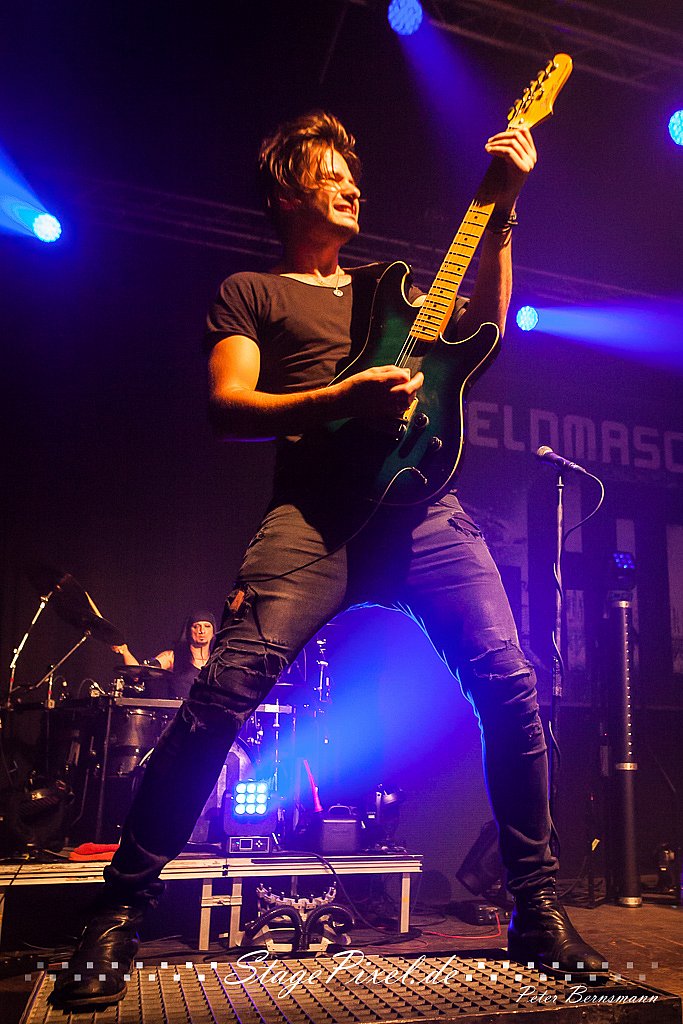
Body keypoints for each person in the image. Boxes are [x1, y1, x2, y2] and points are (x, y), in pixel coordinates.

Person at [51, 111, 606, 1009]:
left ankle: (535, 910)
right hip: (313, 518)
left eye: (352, 172)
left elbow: (481, 332)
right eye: (328, 173)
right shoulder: (250, 291)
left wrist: (502, 210)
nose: (350, 184)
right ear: (285, 195)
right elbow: (228, 403)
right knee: (220, 697)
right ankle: (115, 913)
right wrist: (341, 396)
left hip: (426, 516)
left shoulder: (391, 290)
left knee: (509, 684)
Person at [112, 611, 216, 699]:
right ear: (188, 631)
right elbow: (138, 674)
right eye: (196, 626)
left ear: (213, 631)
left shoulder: (217, 661)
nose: (202, 631)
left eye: (207, 626)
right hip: (179, 714)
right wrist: (125, 652)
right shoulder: (172, 657)